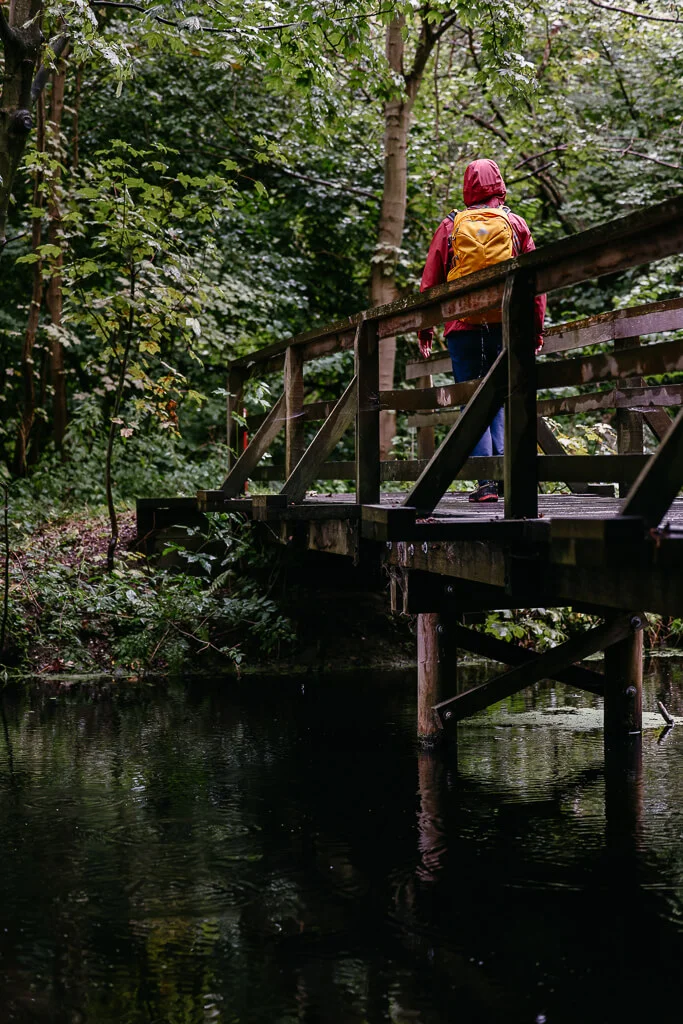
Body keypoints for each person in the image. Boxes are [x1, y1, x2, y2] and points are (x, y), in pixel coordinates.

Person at [417, 158, 546, 503]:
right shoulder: (515, 223)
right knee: (502, 397)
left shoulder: (450, 225)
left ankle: (486, 484)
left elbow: (430, 283)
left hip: (463, 326)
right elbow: (536, 283)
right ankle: (508, 479)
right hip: (506, 326)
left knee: (471, 402)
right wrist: (535, 331)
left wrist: (425, 329)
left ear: (468, 187)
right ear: (499, 185)